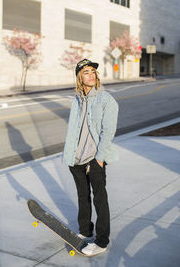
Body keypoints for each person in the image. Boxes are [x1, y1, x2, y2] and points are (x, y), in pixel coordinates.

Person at [62, 58, 119, 256]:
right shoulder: (77, 100)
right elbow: (73, 130)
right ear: (79, 76)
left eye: (93, 72)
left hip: (95, 158)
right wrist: (70, 156)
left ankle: (102, 241)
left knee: (100, 199)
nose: (91, 75)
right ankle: (85, 230)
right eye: (86, 72)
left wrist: (100, 158)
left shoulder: (106, 100)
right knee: (82, 196)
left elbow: (108, 131)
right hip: (77, 158)